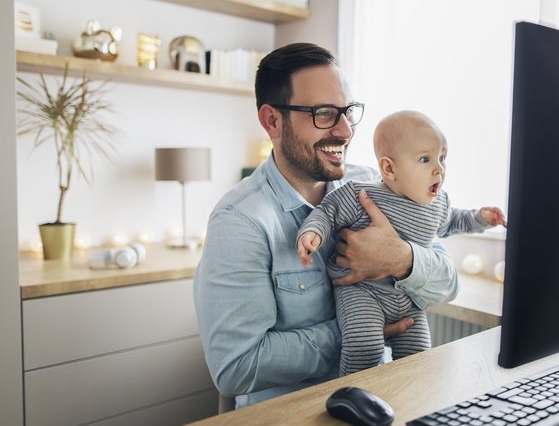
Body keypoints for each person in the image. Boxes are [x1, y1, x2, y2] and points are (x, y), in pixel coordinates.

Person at [193, 43, 460, 408]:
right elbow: (237, 367)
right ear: (272, 120)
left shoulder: (376, 188)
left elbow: (449, 284)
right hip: (291, 414)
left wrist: (401, 259)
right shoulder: (240, 222)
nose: (345, 130)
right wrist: (356, 331)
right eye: (323, 113)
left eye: (348, 111)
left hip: (380, 402)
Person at [297, 110, 507, 375]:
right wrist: (312, 232)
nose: (439, 168)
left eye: (442, 158)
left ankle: (410, 407)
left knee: (420, 357)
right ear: (389, 168)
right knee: (366, 348)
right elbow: (328, 212)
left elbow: (454, 222)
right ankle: (352, 398)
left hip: (408, 297)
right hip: (363, 293)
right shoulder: (362, 193)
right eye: (425, 159)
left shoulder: (438, 203)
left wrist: (481, 218)